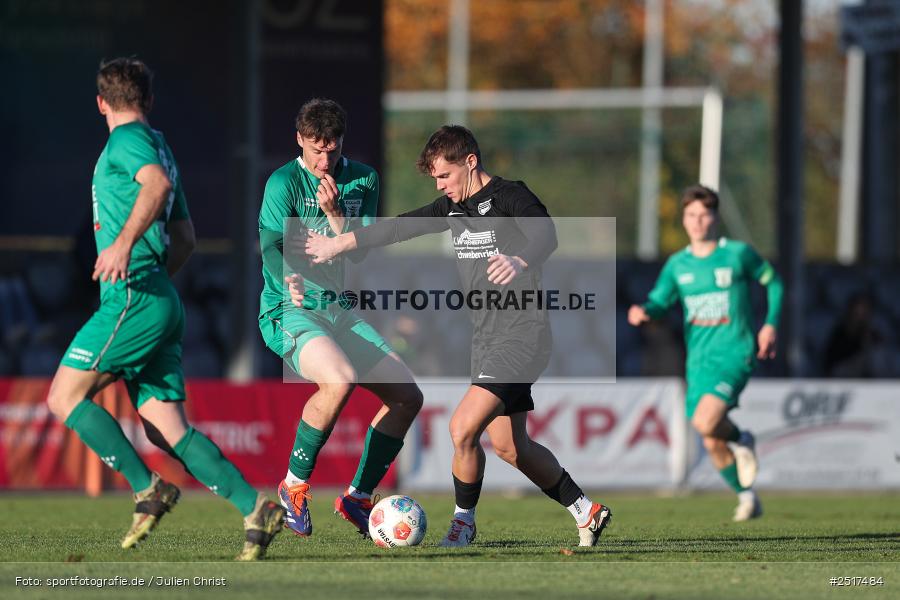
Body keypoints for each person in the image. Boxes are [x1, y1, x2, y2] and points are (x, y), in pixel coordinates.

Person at [305, 125, 612, 547]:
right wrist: (338, 245)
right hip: (486, 339)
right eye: (434, 179)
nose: (440, 185)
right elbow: (398, 229)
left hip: (522, 334)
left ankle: (462, 525)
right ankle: (586, 511)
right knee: (510, 447)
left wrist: (521, 260)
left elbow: (546, 232)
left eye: (444, 175)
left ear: (470, 162)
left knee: (461, 428)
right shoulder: (452, 208)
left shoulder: (509, 196)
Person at [46, 58, 284, 560]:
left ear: (101, 104)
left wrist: (123, 247)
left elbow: (156, 186)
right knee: (165, 426)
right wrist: (155, 283)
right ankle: (255, 507)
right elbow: (187, 240)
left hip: (132, 294)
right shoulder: (161, 146)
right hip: (158, 295)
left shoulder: (127, 141)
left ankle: (147, 488)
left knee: (63, 397)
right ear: (149, 100)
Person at [257, 98, 423, 538]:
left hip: (338, 312)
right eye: (315, 149)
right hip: (288, 309)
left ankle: (358, 498)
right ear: (299, 140)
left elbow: (363, 249)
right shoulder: (283, 183)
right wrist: (288, 278)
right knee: (339, 379)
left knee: (409, 397)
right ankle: (293, 486)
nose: (324, 160)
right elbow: (270, 246)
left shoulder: (363, 178)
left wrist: (335, 215)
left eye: (332, 150)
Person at [627, 184, 783, 521]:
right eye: (691, 215)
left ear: (715, 217)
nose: (697, 221)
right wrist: (645, 311)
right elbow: (659, 300)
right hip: (698, 361)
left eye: (704, 214)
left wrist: (769, 325)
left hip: (735, 352)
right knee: (711, 439)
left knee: (706, 421)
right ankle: (746, 496)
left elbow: (774, 282)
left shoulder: (738, 254)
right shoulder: (677, 265)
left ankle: (742, 439)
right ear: (684, 219)